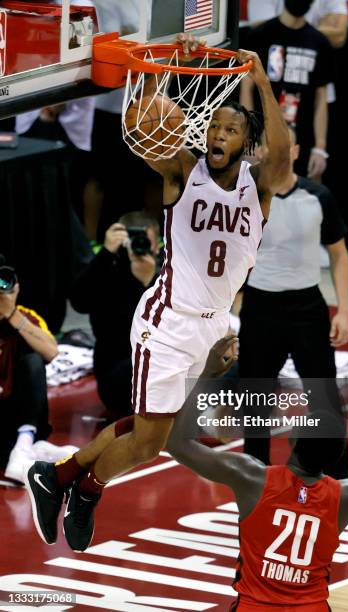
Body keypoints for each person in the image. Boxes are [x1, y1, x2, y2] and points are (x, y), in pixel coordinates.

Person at [24, 34, 291, 552]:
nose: (216, 132)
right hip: (167, 319)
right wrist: (157, 69)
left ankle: (56, 478)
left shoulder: (257, 189)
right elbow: (145, 131)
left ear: (245, 140)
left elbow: (280, 158)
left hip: (212, 322)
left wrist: (259, 80)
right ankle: (85, 492)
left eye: (230, 128)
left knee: (149, 427)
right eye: (213, 124)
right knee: (150, 442)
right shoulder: (183, 172)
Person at [167, 336, 348, 611]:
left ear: (292, 439)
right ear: (337, 456)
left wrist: (208, 376)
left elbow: (178, 444)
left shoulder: (252, 477)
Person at [239, 127, 348, 475]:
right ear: (258, 151)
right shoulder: (244, 196)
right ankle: (254, 478)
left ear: (297, 150)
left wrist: (344, 311)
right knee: (255, 400)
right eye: (269, 145)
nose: (275, 152)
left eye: (283, 145)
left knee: (324, 396)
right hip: (259, 306)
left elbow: (339, 254)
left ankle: (339, 477)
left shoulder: (319, 196)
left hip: (307, 307)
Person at [69, 211, 159, 420]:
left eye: (147, 241)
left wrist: (148, 283)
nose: (141, 246)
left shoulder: (165, 276)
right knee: (142, 363)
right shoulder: (105, 275)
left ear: (157, 245)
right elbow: (78, 302)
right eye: (135, 240)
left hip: (162, 373)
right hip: (118, 375)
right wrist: (106, 254)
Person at [240, 0, 334, 181]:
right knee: (259, 192)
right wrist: (249, 138)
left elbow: (321, 99)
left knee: (304, 193)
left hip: (303, 137)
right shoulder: (260, 35)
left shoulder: (320, 42)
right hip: (264, 136)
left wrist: (320, 147)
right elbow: (246, 87)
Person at [0, 258, 59, 483]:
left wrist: (11, 315)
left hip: (20, 414)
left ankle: (25, 444)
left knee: (34, 360)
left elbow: (51, 352)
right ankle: (31, 450)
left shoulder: (25, 316)